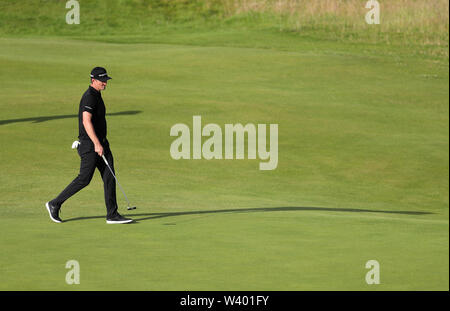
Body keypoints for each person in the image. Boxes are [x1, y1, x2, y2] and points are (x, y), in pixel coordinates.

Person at [46, 67, 133, 224]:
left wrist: (101, 143)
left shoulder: (97, 95)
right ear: (93, 80)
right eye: (102, 81)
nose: (105, 84)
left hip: (101, 143)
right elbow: (86, 121)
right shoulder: (89, 97)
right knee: (84, 179)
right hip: (90, 145)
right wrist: (97, 143)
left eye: (106, 81)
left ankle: (112, 214)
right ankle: (55, 203)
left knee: (109, 176)